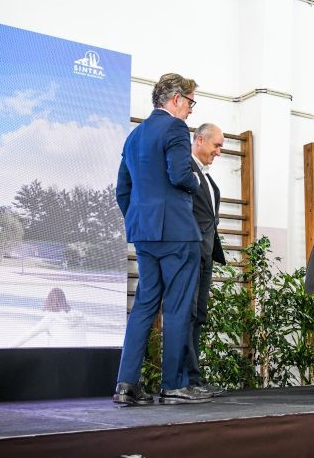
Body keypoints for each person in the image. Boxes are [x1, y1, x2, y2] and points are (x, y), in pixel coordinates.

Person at [114, 73, 212, 406]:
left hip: (144, 234)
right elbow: (180, 175)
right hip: (177, 233)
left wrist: (139, 221)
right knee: (177, 308)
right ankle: (174, 385)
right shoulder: (175, 128)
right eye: (190, 102)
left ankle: (126, 385)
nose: (190, 110)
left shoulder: (134, 136)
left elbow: (122, 190)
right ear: (176, 99)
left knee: (144, 306)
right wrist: (197, 183)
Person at [183, 123, 227, 396]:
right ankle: (186, 379)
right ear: (199, 140)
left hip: (206, 255)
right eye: (216, 145)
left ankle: (195, 379)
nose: (219, 152)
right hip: (189, 255)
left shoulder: (206, 176)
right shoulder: (185, 169)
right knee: (186, 317)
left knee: (198, 316)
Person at [16, 288, 86, 347]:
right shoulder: (80, 316)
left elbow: (26, 337)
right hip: (82, 356)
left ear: (49, 301)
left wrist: (9, 351)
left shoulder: (50, 319)